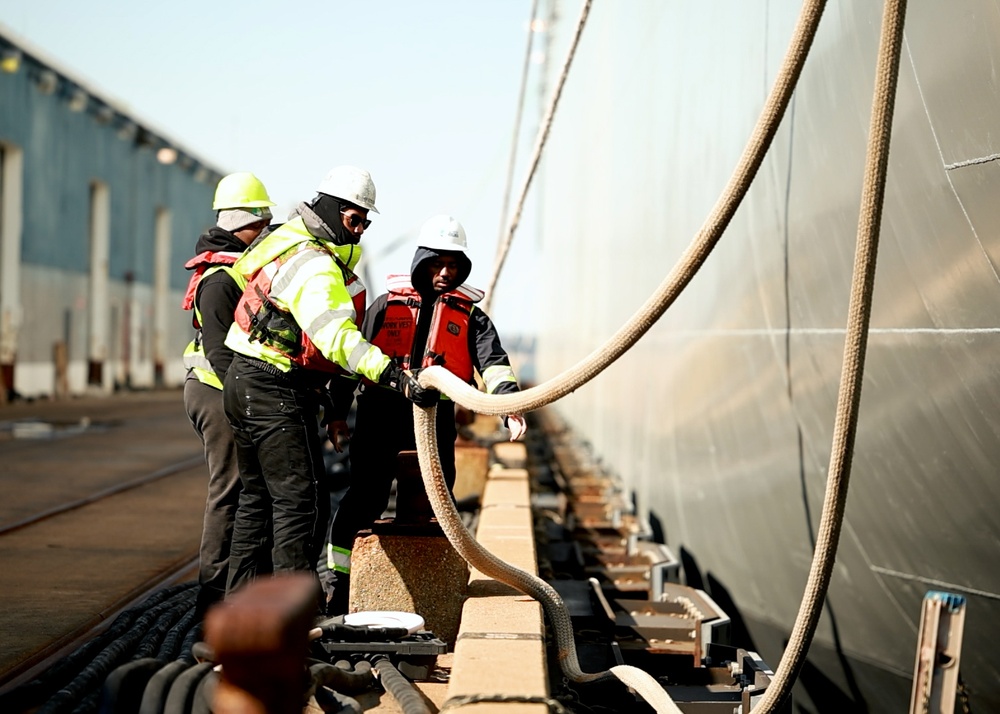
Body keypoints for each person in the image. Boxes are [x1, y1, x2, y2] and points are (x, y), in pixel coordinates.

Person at [221, 166, 434, 596]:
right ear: (335, 212)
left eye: (365, 223)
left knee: (257, 504)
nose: (358, 233)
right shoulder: (316, 267)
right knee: (301, 505)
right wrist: (395, 376)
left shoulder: (290, 246)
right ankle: (293, 622)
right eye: (355, 220)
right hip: (272, 390)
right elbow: (338, 339)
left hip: (243, 382)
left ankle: (237, 610)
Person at [324, 214, 527, 614]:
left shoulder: (471, 317)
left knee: (436, 505)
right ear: (421, 262)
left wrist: (508, 407)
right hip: (381, 414)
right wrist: (336, 413)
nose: (445, 273)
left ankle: (433, 594)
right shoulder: (385, 306)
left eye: (453, 266)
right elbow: (351, 360)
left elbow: (495, 365)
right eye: (437, 263)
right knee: (365, 497)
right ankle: (340, 586)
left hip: (435, 419)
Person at [181, 172, 275, 615]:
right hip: (216, 393)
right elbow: (222, 355)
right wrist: (250, 404)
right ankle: (213, 590)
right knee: (229, 488)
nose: (267, 234)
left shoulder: (231, 269)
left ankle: (236, 581)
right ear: (245, 224)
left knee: (242, 487)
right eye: (263, 225)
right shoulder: (220, 279)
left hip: (223, 391)